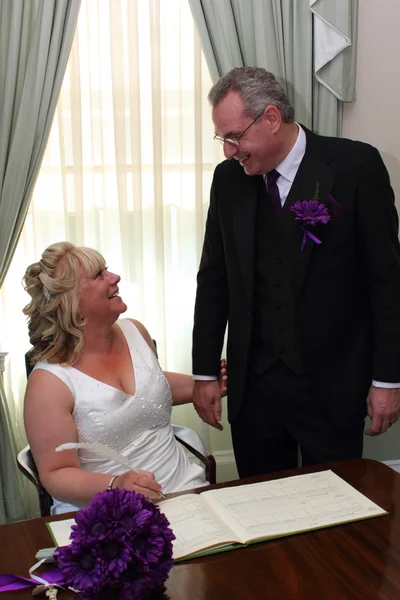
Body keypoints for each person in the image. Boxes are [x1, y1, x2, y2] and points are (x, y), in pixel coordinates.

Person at [192, 66, 400, 478]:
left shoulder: (356, 166)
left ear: (271, 118)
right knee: (261, 508)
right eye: (224, 139)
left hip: (333, 386)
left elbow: (387, 284)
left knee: (338, 514)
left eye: (234, 138)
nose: (228, 152)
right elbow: (214, 278)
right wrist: (204, 373)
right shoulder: (228, 181)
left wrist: (387, 381)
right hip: (254, 390)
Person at [23, 241, 227, 514]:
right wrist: (114, 485)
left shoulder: (135, 331)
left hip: (187, 491)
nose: (115, 277)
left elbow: (150, 387)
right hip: (108, 514)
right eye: (99, 275)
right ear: (73, 304)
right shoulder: (48, 383)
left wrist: (206, 384)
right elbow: (56, 474)